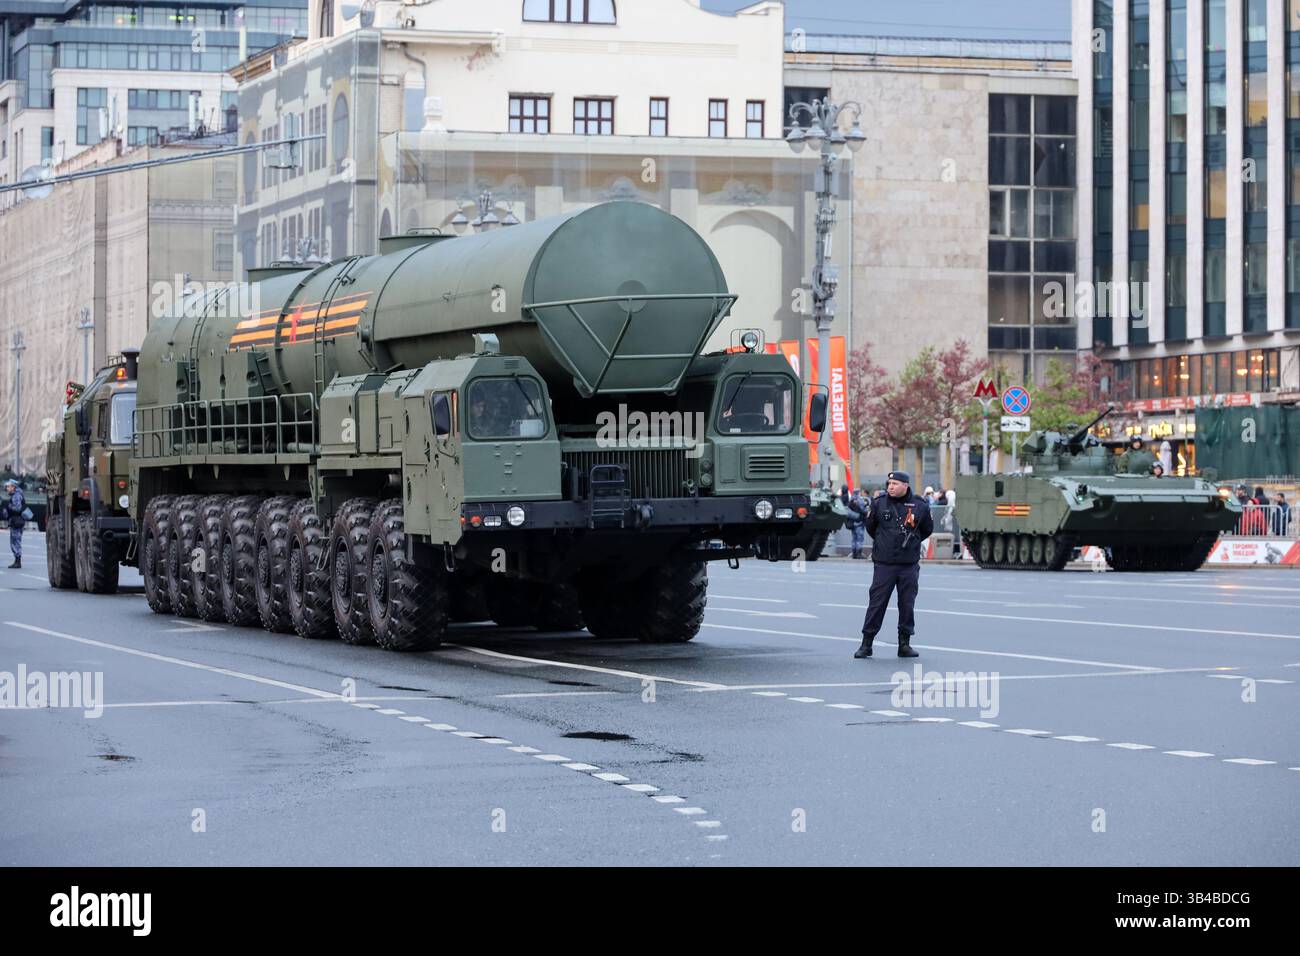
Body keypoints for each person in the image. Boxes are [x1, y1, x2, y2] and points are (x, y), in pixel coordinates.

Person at [842, 470, 933, 659]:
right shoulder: (879, 503)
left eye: (895, 484)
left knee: (907, 605)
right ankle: (867, 643)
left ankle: (904, 644)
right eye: (889, 484)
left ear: (905, 486)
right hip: (884, 564)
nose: (891, 487)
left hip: (908, 565)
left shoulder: (919, 505)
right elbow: (871, 528)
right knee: (877, 604)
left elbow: (926, 530)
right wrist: (885, 544)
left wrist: (912, 544)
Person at [1, 478, 26, 569]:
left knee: (15, 541)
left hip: (17, 520)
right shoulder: (16, 494)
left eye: (8, 486)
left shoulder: (16, 495)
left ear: (13, 487)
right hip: (16, 520)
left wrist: (8, 507)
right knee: (15, 541)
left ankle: (17, 561)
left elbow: (17, 508)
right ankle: (17, 560)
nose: (7, 488)